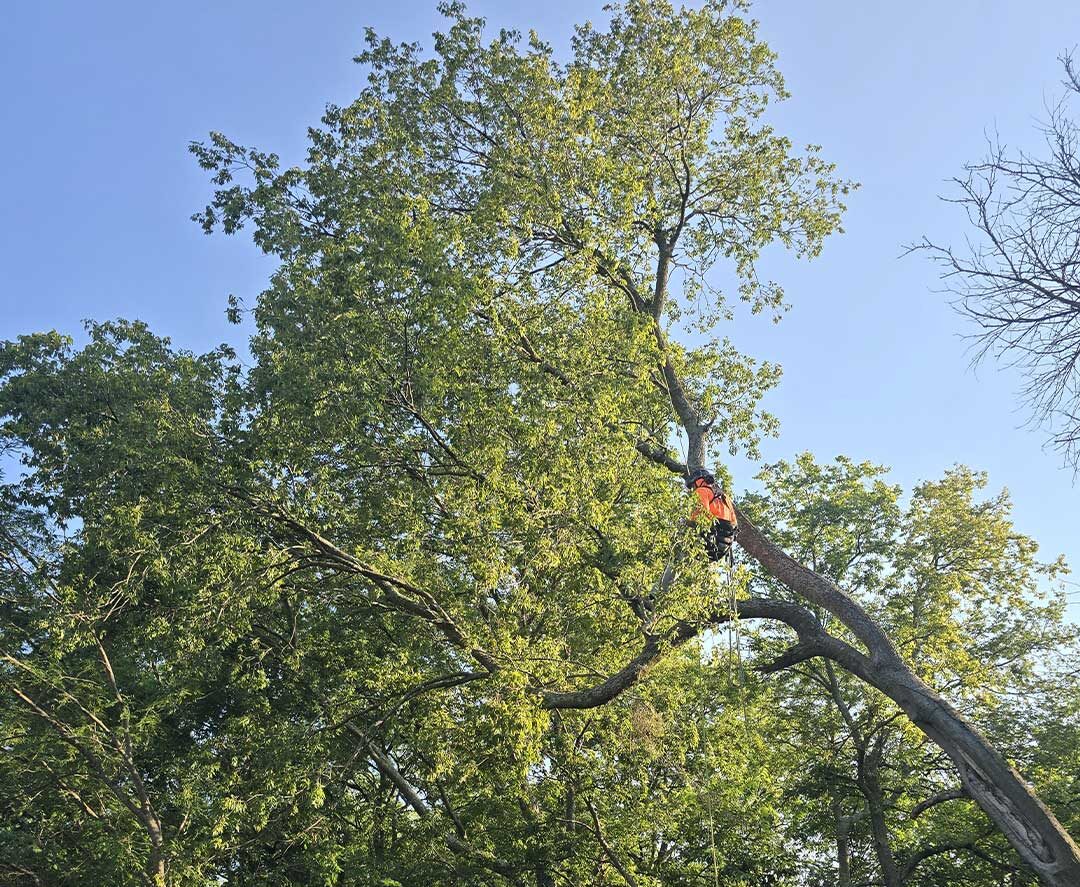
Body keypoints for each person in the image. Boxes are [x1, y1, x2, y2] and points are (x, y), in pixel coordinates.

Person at [686, 468, 737, 564]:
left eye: (693, 486)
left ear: (698, 481)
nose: (693, 489)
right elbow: (734, 522)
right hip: (724, 543)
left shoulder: (701, 491)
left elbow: (701, 512)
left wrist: (687, 523)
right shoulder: (724, 497)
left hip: (711, 536)